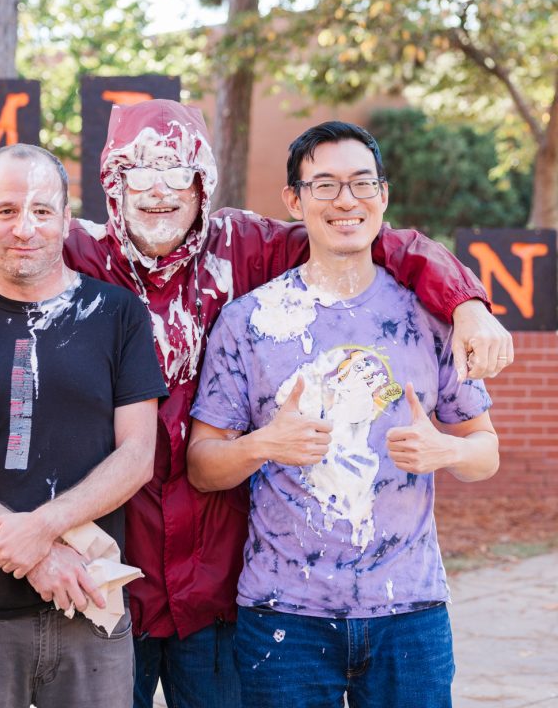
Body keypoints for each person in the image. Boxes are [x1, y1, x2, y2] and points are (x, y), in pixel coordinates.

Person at [0, 100, 513, 708]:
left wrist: (464, 302)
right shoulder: (69, 250)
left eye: (177, 171)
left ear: (203, 180)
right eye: (139, 172)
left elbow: (368, 238)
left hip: (220, 586)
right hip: (110, 576)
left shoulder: (249, 248)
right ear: (112, 183)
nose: (159, 190)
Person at [187, 121, 500, 707]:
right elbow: (203, 466)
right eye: (324, 185)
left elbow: (486, 450)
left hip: (410, 613)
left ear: (383, 195)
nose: (345, 201)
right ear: (294, 200)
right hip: (284, 619)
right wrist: (264, 444)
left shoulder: (432, 317)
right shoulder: (250, 321)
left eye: (361, 183)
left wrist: (448, 451)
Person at [0, 143, 167, 707]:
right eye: (6, 210)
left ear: (67, 220)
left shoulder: (118, 314)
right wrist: (38, 555)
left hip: (89, 604)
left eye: (42, 211)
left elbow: (138, 454)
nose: (25, 228)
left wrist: (44, 528)